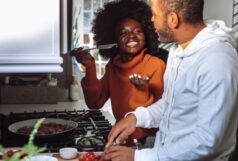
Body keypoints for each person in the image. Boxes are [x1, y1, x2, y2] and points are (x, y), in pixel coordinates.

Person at [102, 0, 238, 160]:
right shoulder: (179, 50)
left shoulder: (218, 62)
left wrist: (138, 157)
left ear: (173, 19)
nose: (151, 20)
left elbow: (207, 141)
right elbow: (172, 104)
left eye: (155, 15)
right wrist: (136, 118)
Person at [70, 0, 166, 146]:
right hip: (122, 139)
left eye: (138, 31)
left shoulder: (156, 65)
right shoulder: (113, 66)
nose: (132, 36)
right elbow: (95, 102)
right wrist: (90, 67)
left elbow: (162, 112)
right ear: (114, 40)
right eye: (124, 33)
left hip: (150, 143)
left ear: (147, 35)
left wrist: (141, 90)